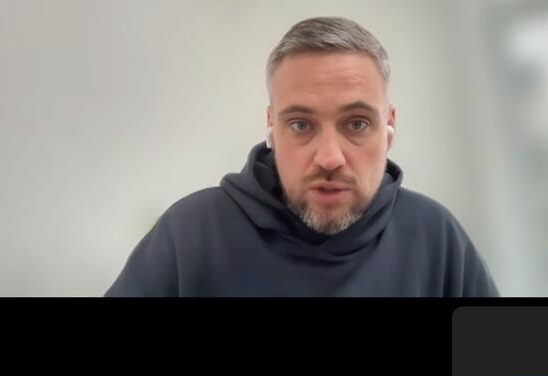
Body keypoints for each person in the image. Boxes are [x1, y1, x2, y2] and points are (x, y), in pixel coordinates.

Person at [105, 17, 499, 297]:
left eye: (356, 124)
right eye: (301, 125)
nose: (329, 158)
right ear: (271, 127)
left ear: (389, 125)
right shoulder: (191, 234)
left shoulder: (435, 236)